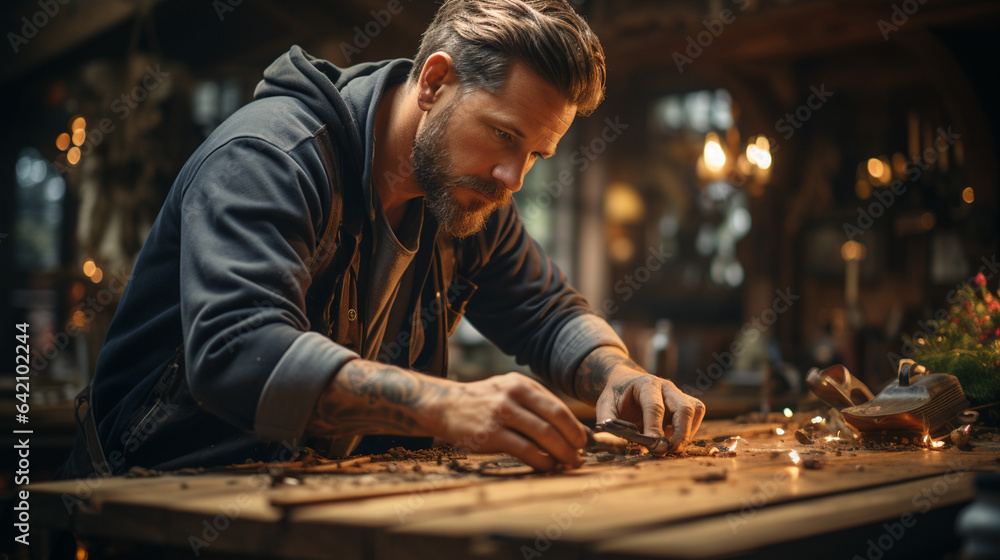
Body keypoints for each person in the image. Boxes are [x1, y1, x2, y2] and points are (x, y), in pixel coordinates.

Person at [61, 0, 705, 478]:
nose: (513, 177)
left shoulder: (466, 195)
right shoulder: (271, 158)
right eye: (506, 135)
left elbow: (544, 312)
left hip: (296, 507)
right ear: (434, 81)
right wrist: (446, 407)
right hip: (136, 508)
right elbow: (237, 351)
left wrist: (618, 375)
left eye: (536, 154)